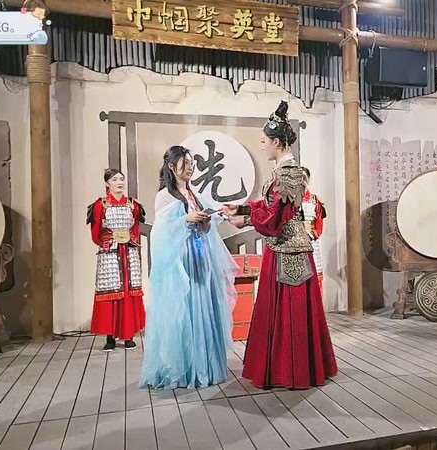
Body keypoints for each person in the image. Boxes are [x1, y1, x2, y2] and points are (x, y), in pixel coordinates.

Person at [222, 101, 337, 389]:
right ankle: (284, 369)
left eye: (264, 140)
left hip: (290, 251)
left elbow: (275, 218)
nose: (262, 145)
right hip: (281, 248)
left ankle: (291, 371)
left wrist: (247, 220)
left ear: (276, 142)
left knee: (290, 314)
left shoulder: (289, 174)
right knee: (281, 313)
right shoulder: (284, 172)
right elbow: (270, 206)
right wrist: (243, 210)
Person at [139, 145, 238, 390]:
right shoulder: (164, 196)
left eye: (192, 163)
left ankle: (205, 366)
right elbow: (161, 231)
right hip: (181, 260)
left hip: (199, 257)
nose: (191, 168)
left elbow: (207, 227)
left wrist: (205, 221)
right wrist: (185, 219)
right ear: (172, 167)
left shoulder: (195, 195)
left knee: (203, 309)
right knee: (185, 311)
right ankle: (183, 370)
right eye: (186, 164)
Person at [87, 168, 147, 352]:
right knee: (111, 290)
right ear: (107, 183)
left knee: (129, 290)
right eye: (114, 179)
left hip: (128, 251)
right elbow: (96, 233)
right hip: (110, 251)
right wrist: (107, 242)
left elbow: (135, 229)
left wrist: (130, 242)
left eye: (121, 179)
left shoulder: (133, 205)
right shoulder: (100, 205)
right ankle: (110, 337)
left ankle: (129, 336)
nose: (119, 182)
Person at [301, 167, 327, 294]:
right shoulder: (289, 201)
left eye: (304, 178)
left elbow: (319, 227)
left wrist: (311, 235)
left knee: (315, 277)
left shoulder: (314, 201)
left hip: (311, 243)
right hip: (294, 243)